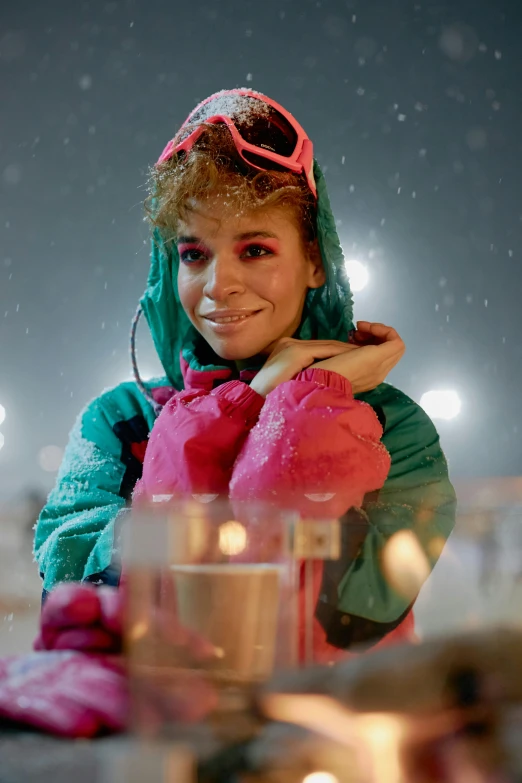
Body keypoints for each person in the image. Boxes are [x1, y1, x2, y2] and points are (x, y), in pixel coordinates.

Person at [33, 88, 456, 660]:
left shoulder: (396, 430)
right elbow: (100, 609)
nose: (217, 285)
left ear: (314, 262)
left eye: (254, 250)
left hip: (328, 743)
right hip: (156, 740)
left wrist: (302, 407)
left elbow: (347, 621)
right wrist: (253, 397)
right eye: (193, 254)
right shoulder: (117, 423)